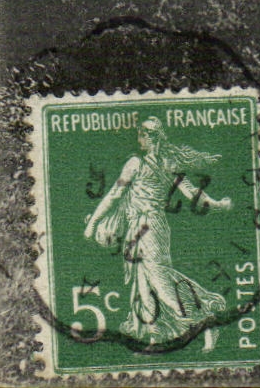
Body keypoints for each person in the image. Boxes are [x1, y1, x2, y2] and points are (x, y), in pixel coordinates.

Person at [83, 117, 233, 350]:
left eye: (141, 135)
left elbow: (114, 194)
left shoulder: (136, 163)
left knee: (159, 278)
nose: (138, 140)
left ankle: (202, 320)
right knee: (143, 283)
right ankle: (155, 334)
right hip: (142, 227)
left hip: (150, 227)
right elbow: (193, 193)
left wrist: (93, 223)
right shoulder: (167, 163)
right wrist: (216, 204)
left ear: (149, 138)